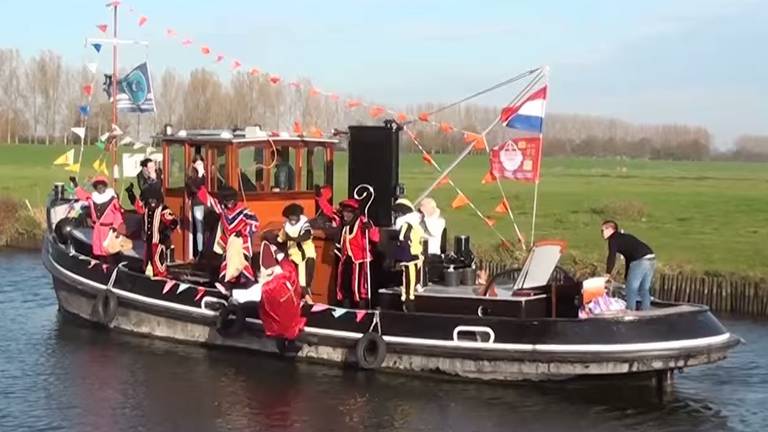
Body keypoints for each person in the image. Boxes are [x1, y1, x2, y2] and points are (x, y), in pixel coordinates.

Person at [198, 185, 260, 287]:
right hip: (228, 241)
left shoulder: (243, 211)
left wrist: (243, 231)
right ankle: (228, 281)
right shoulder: (223, 209)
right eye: (227, 201)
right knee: (229, 251)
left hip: (241, 241)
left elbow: (255, 223)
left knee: (235, 252)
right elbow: (210, 201)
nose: (230, 203)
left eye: (232, 200)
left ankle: (233, 280)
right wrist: (199, 188)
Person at [126, 183, 179, 278]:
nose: (152, 201)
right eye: (150, 199)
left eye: (154, 199)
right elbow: (137, 205)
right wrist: (130, 192)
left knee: (158, 261)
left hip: (158, 241)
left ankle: (161, 277)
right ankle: (146, 275)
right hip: (148, 241)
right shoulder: (145, 208)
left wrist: (166, 232)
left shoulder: (163, 209)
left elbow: (172, 221)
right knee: (147, 260)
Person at [601, 220, 656, 311]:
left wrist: (608, 273)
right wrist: (627, 275)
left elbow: (611, 256)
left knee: (631, 289)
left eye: (603, 230)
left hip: (640, 260)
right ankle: (646, 312)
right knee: (644, 288)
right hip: (651, 257)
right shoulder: (625, 237)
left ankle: (630, 312)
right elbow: (629, 257)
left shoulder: (613, 239)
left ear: (610, 229)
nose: (601, 233)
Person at [70, 175, 125, 261]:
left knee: (108, 249)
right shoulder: (92, 198)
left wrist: (115, 226)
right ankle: (99, 264)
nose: (99, 188)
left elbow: (118, 214)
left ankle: (109, 267)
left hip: (108, 229)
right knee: (98, 249)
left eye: (101, 185)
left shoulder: (112, 200)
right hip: (97, 229)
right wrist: (75, 184)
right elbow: (82, 195)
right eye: (97, 186)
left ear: (105, 187)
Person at [336, 198, 379, 309]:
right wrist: (321, 199)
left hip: (360, 260)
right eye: (344, 211)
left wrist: (370, 229)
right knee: (344, 286)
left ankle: (361, 311)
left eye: (348, 212)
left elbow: (375, 238)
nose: (345, 214)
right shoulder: (343, 223)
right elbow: (329, 211)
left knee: (359, 289)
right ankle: (346, 310)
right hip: (346, 259)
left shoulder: (362, 222)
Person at [278, 203, 316, 303]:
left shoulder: (304, 224)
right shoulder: (286, 226)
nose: (293, 219)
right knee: (296, 282)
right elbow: (280, 239)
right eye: (291, 217)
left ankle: (309, 303)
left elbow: (306, 236)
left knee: (304, 282)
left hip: (305, 257)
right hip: (293, 258)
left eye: (295, 217)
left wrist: (294, 239)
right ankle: (302, 302)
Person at [393, 198, 425, 311]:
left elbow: (402, 239)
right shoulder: (414, 224)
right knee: (409, 279)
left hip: (409, 255)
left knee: (408, 279)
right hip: (413, 254)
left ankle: (408, 301)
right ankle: (409, 300)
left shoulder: (406, 224)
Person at [186, 155, 207, 257]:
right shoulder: (191, 178)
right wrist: (199, 174)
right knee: (199, 229)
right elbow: (195, 188)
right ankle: (200, 251)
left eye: (201, 163)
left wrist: (204, 175)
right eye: (198, 164)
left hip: (209, 205)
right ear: (194, 165)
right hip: (198, 205)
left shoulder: (207, 175)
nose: (200, 165)